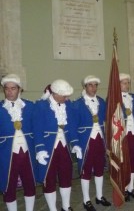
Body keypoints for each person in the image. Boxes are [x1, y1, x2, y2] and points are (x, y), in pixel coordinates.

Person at [33, 79, 82, 211]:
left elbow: (71, 126)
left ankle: (66, 206)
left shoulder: (68, 105)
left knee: (66, 175)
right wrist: (40, 149)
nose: (67, 98)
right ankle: (52, 208)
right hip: (48, 147)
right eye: (64, 95)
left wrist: (75, 143)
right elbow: (37, 129)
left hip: (64, 146)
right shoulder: (41, 106)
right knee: (49, 179)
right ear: (54, 93)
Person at [73, 75, 111, 211]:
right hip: (85, 141)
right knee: (86, 170)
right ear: (85, 87)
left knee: (100, 168)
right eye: (90, 85)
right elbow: (72, 126)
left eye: (95, 85)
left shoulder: (101, 101)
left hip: (99, 140)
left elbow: (108, 120)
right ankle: (86, 199)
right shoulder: (77, 104)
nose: (93, 88)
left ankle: (100, 196)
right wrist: (76, 143)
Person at [0, 74, 36, 211]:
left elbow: (37, 127)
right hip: (6, 153)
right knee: (9, 185)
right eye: (6, 88)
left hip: (28, 152)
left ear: (19, 89)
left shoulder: (31, 106)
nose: (9, 91)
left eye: (13, 88)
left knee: (30, 183)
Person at [119, 73, 134, 200]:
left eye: (128, 82)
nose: (127, 85)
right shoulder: (113, 99)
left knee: (133, 160)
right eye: (124, 83)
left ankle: (131, 187)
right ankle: (123, 188)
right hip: (122, 135)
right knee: (124, 162)